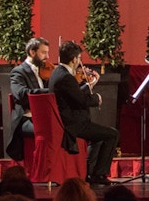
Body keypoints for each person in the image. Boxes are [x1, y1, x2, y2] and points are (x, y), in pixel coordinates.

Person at [48, 40, 118, 186]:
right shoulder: (66, 77)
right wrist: (97, 99)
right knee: (113, 134)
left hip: (68, 120)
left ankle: (92, 172)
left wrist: (89, 85)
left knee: (100, 136)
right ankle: (98, 173)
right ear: (74, 59)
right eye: (79, 58)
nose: (79, 62)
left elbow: (74, 94)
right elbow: (82, 101)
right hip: (73, 124)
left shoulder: (57, 72)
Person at [6, 37, 51, 161]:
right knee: (50, 131)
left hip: (42, 117)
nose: (47, 57)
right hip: (25, 120)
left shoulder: (44, 71)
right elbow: (21, 94)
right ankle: (42, 169)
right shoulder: (18, 72)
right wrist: (49, 92)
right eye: (43, 52)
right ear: (32, 52)